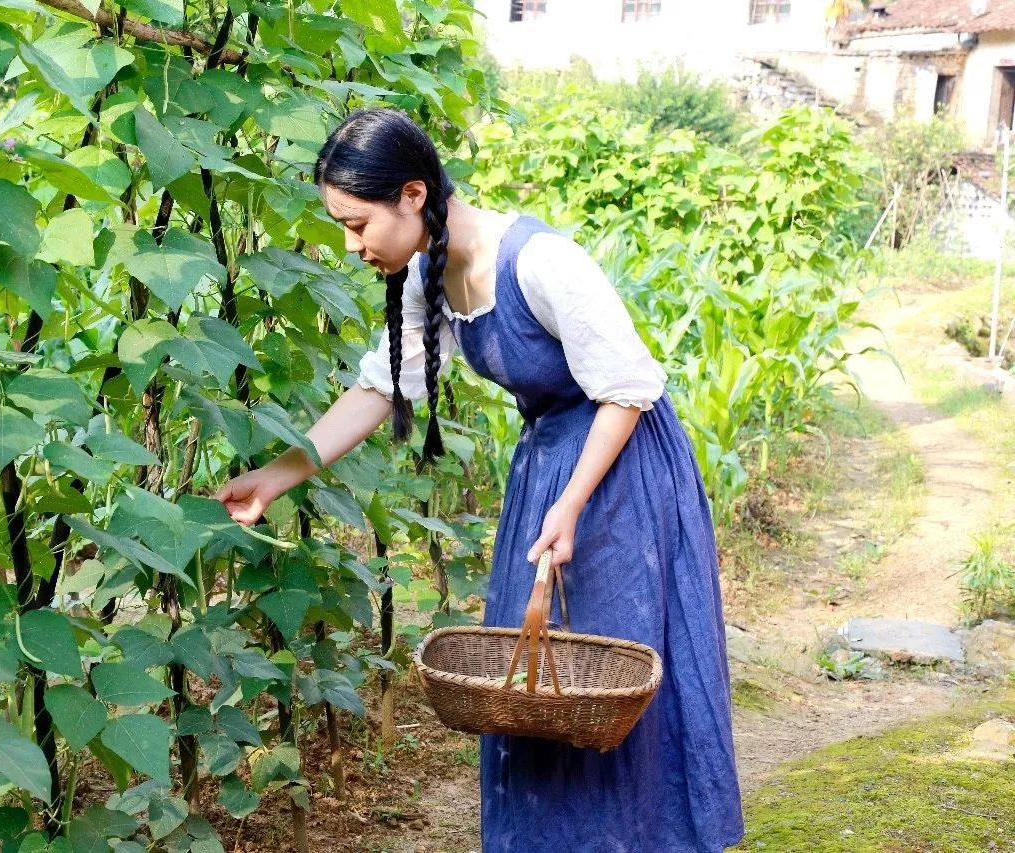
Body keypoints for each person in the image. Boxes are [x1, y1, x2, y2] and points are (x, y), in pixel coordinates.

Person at [214, 107, 745, 852]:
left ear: (411, 194)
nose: (351, 245)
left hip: (620, 474)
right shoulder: (431, 274)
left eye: (357, 223)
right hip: (550, 472)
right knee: (530, 688)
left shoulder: (538, 261)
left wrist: (570, 502)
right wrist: (275, 477)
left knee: (607, 671)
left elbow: (628, 389)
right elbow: (379, 390)